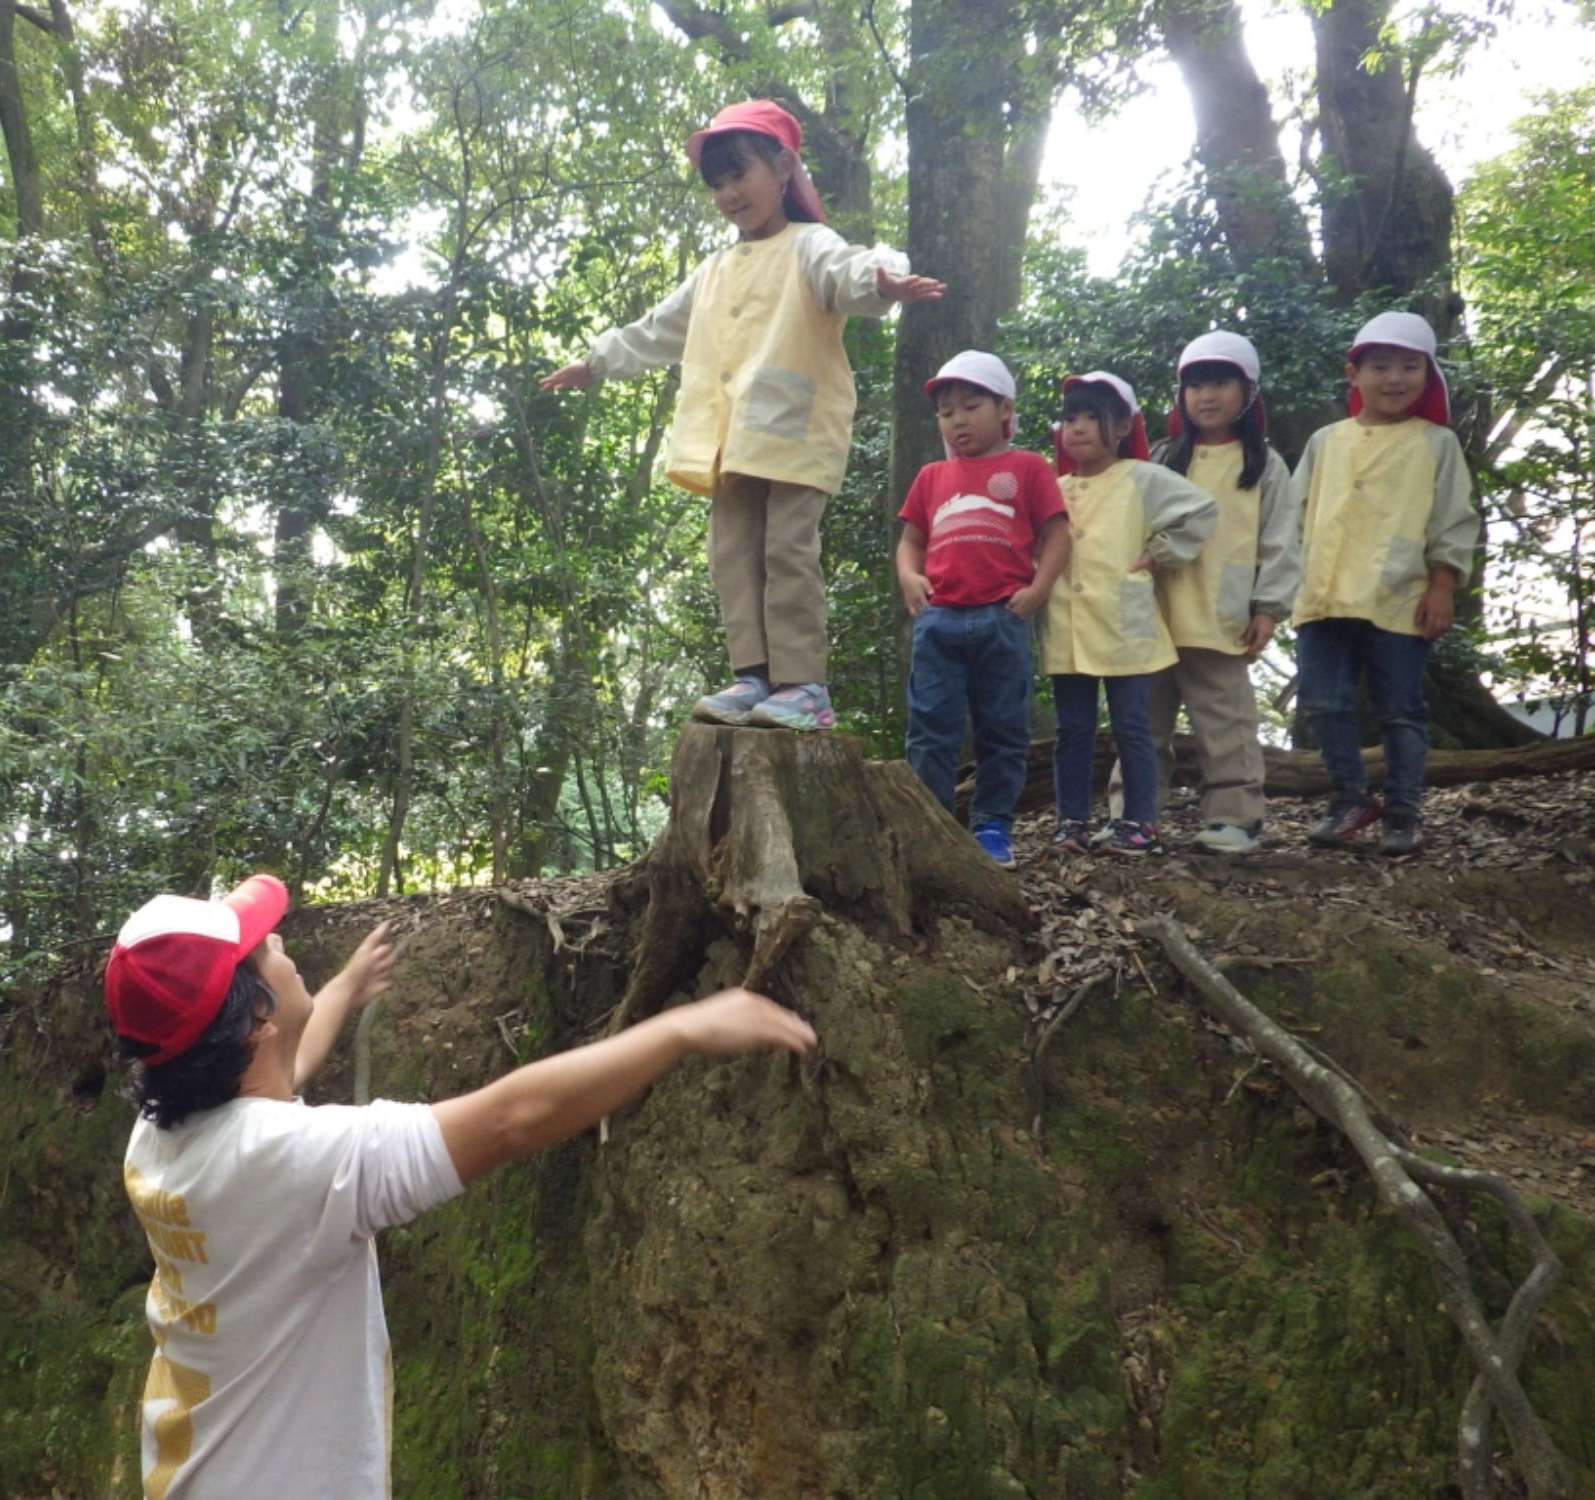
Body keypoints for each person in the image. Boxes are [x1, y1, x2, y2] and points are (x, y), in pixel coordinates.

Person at [105, 873, 816, 1498]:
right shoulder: (303, 1164)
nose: (283, 944)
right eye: (269, 950)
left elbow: (275, 1081)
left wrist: (345, 991)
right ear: (256, 1018)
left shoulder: (163, 1129)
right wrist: (683, 1029)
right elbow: (512, 1119)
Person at [541, 99, 945, 732]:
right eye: (717, 182)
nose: (729, 192)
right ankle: (752, 676)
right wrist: (595, 363)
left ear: (783, 166)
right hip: (725, 442)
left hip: (794, 429)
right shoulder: (712, 270)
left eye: (740, 174)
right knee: (732, 555)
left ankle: (804, 684)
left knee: (787, 551)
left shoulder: (810, 244)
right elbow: (656, 330)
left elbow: (848, 272)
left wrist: (883, 281)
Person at [1290, 310, 1480, 857]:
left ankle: (1403, 812)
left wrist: (1442, 585)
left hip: (1399, 594)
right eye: (1380, 366)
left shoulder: (1436, 443)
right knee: (1323, 702)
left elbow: (1452, 519)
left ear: (1427, 375)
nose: (1394, 378)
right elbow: (1296, 515)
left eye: (1408, 367)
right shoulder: (1327, 440)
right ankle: (1349, 797)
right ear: (1354, 374)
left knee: (1401, 708)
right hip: (1324, 592)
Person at [1103, 331, 1297, 854]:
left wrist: (1269, 609)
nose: (1207, 397)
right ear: (1180, 396)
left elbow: (1281, 541)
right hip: (1155, 612)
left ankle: (1236, 816)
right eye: (1195, 386)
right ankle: (1133, 815)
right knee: (1142, 722)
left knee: (1227, 722)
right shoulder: (1164, 457)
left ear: (1248, 392)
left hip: (1223, 612)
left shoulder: (1266, 465)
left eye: (1220, 384)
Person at [894, 350, 1070, 868]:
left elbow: (1057, 535)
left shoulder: (1028, 467)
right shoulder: (931, 476)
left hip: (1002, 617)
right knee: (930, 728)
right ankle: (932, 826)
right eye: (947, 412)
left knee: (1003, 729)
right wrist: (909, 577)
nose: (958, 419)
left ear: (1005, 409)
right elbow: (911, 541)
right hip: (940, 619)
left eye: (971, 406)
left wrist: (1037, 591)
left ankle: (993, 827)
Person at [1043, 371, 1217, 856]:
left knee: (1134, 728)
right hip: (1068, 625)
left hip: (1127, 624)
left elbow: (1200, 509)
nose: (1077, 428)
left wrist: (1160, 552)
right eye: (1070, 418)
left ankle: (1141, 822)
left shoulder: (1142, 477)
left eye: (1091, 418)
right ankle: (1071, 822)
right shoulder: (1053, 486)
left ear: (1122, 426)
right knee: (1072, 730)